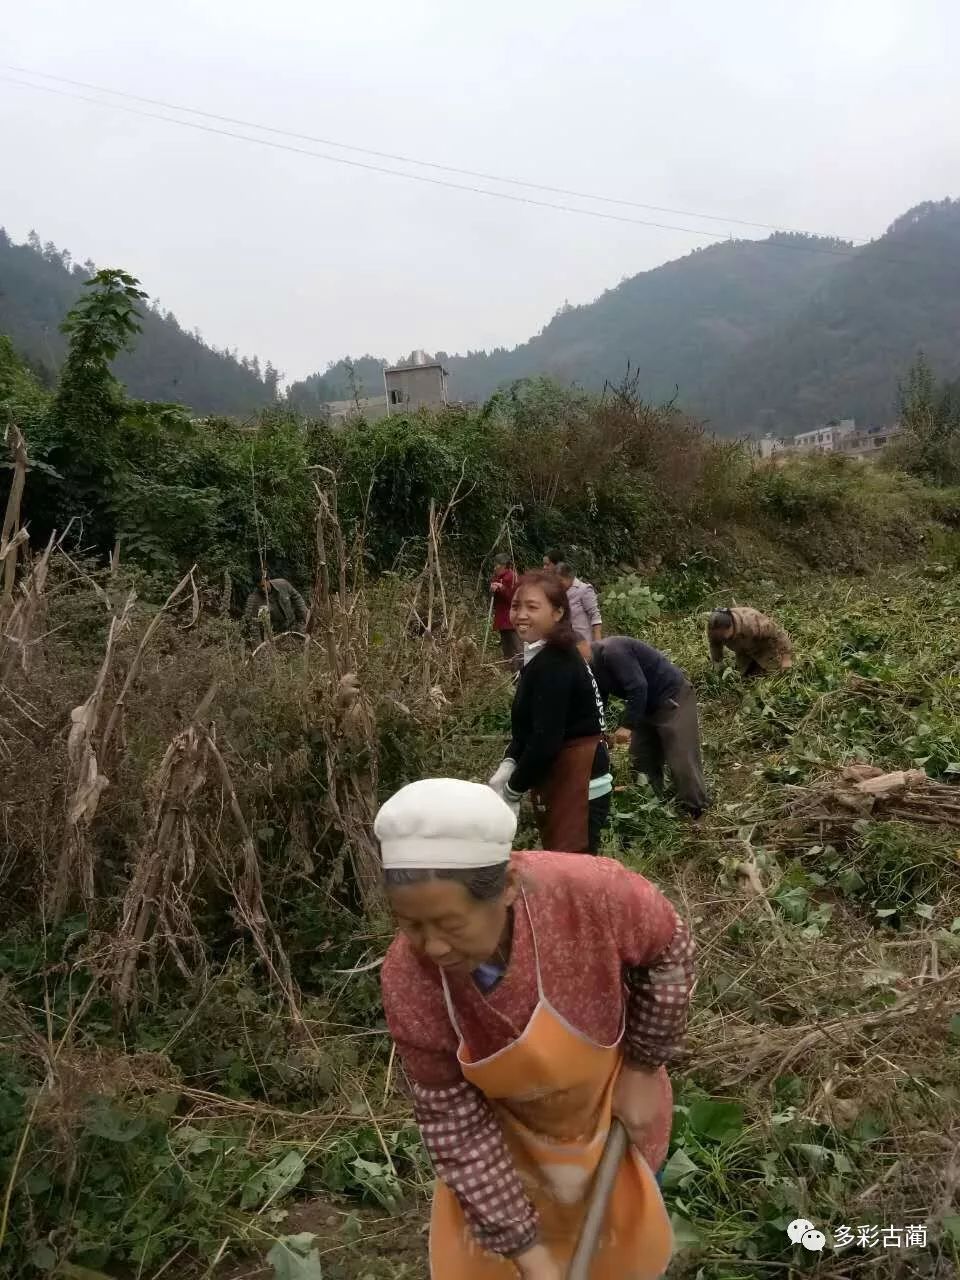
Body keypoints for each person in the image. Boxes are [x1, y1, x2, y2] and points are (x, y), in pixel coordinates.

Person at [377, 778, 694, 1280]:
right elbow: (450, 1116)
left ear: (505, 886)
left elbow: (667, 951)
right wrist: (528, 1254)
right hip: (510, 1147)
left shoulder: (590, 895)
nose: (433, 947)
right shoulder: (410, 980)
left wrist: (641, 1065)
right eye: (412, 926)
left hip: (611, 1111)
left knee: (619, 1243)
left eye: (451, 925)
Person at [488, 571, 611, 854]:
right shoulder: (542, 656)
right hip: (566, 776)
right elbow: (528, 727)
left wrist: (513, 790)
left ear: (557, 613)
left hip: (579, 783)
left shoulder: (556, 662)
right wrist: (509, 761)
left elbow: (546, 739)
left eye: (532, 607)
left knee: (573, 870)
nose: (520, 615)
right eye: (517, 606)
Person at [585, 636, 710, 817]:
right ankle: (650, 803)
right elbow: (599, 699)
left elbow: (638, 687)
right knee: (641, 758)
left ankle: (696, 808)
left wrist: (627, 725)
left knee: (681, 757)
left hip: (672, 698)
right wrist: (599, 731)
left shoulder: (613, 652)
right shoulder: (591, 667)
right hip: (645, 706)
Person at [708, 606, 792, 676]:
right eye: (718, 635)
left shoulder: (754, 622)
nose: (721, 638)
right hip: (742, 650)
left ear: (730, 626)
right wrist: (718, 662)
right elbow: (715, 645)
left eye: (723, 634)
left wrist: (786, 658)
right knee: (746, 677)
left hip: (763, 646)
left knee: (774, 675)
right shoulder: (713, 630)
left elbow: (778, 635)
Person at [243, 573, 309, 640]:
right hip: (276, 635)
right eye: (259, 587)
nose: (263, 589)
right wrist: (260, 647)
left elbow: (297, 599)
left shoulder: (283, 584)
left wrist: (304, 619)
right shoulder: (255, 600)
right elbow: (254, 627)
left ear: (268, 580)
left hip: (294, 626)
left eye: (263, 586)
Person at [554, 562, 602, 643]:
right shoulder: (559, 592)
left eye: (560, 580)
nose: (557, 584)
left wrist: (598, 644)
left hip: (584, 642)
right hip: (566, 642)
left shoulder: (584, 589)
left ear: (569, 577)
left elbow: (595, 616)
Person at [489, 553, 521, 669]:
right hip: (502, 618)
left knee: (516, 647)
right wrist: (493, 588)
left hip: (511, 618)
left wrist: (501, 588)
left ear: (504, 565)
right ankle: (511, 673)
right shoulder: (498, 577)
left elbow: (513, 597)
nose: (495, 567)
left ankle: (521, 672)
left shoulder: (512, 578)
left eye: (497, 565)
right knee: (507, 648)